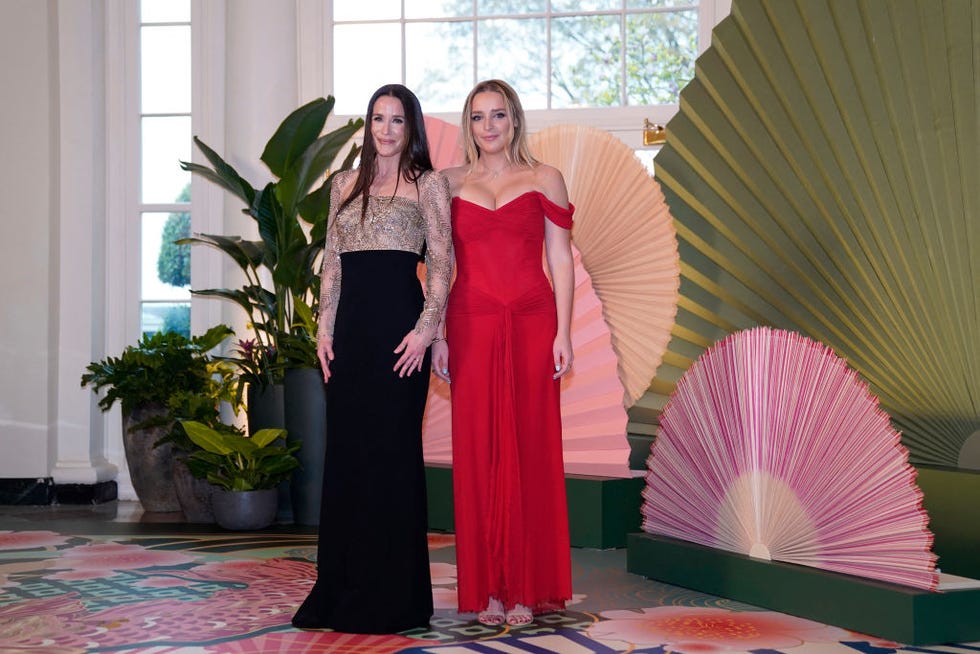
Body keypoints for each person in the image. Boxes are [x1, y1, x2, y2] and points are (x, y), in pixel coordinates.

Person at [292, 83, 452, 634]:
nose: (386, 130)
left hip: (400, 337)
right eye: (378, 119)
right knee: (349, 460)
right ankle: (340, 587)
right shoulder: (342, 185)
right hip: (351, 339)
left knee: (392, 458)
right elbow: (332, 267)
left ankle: (395, 598)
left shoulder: (429, 185)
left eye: (397, 121)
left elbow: (443, 266)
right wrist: (323, 331)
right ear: (369, 126)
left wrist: (426, 332)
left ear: (411, 129)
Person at [432, 79, 575, 627]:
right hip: (469, 323)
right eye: (476, 117)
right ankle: (487, 589)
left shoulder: (545, 178)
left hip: (533, 321)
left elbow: (560, 259)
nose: (488, 126)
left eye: (497, 115)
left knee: (530, 447)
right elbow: (440, 268)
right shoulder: (446, 184)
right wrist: (440, 332)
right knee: (478, 453)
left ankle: (526, 588)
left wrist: (564, 333)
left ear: (514, 119)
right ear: (468, 125)